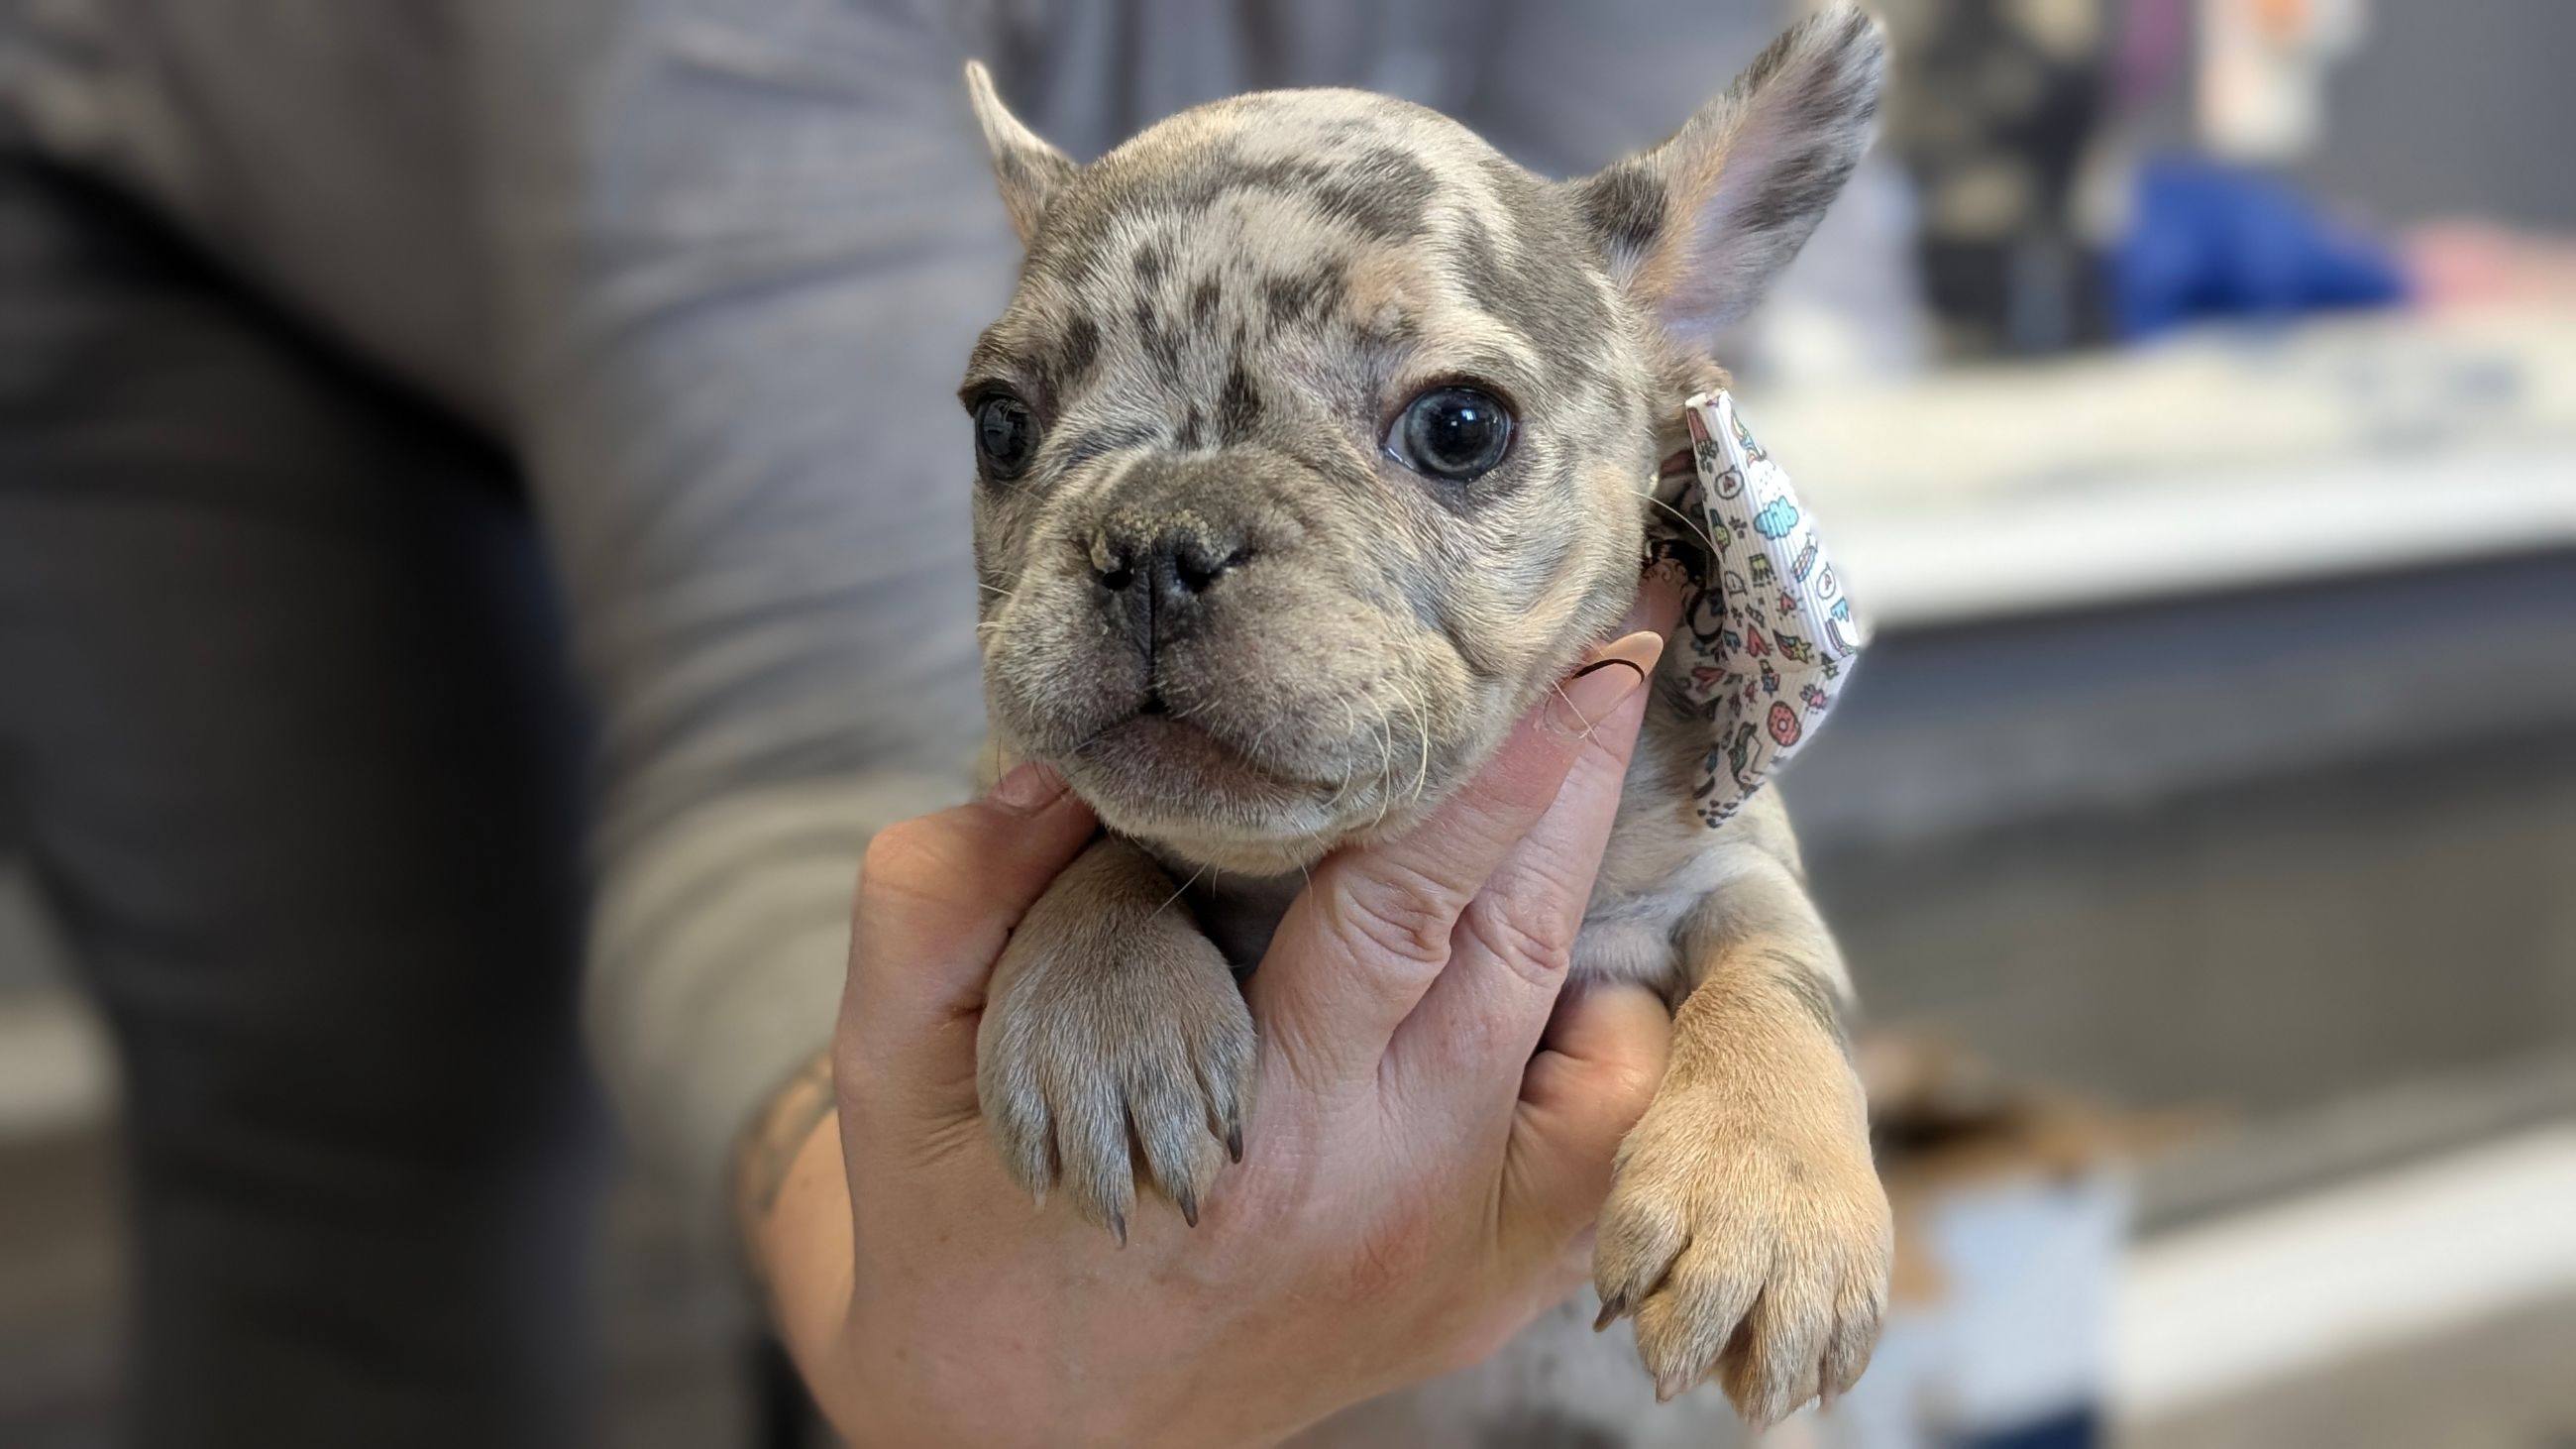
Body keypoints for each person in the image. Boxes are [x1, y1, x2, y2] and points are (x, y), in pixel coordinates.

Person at [0, 3, 1870, 1443]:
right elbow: (787, 746)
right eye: (1017, 427)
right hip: (229, 255)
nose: (1163, 555)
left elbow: (1531, 270)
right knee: (383, 1082)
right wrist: (926, 1355)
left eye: (1448, 426)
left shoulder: (1643, 376)